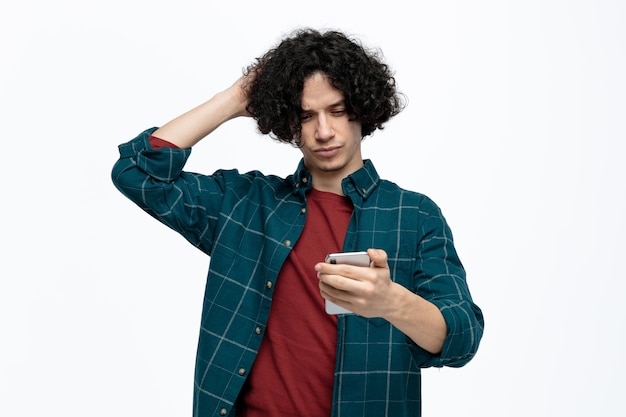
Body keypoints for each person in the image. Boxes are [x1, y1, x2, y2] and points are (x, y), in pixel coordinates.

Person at [112, 28, 484, 417]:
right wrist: (234, 99)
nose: (324, 132)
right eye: (306, 116)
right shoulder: (246, 204)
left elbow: (462, 338)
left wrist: (392, 303)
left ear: (363, 108)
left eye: (337, 111)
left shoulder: (414, 215)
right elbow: (137, 173)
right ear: (288, 123)